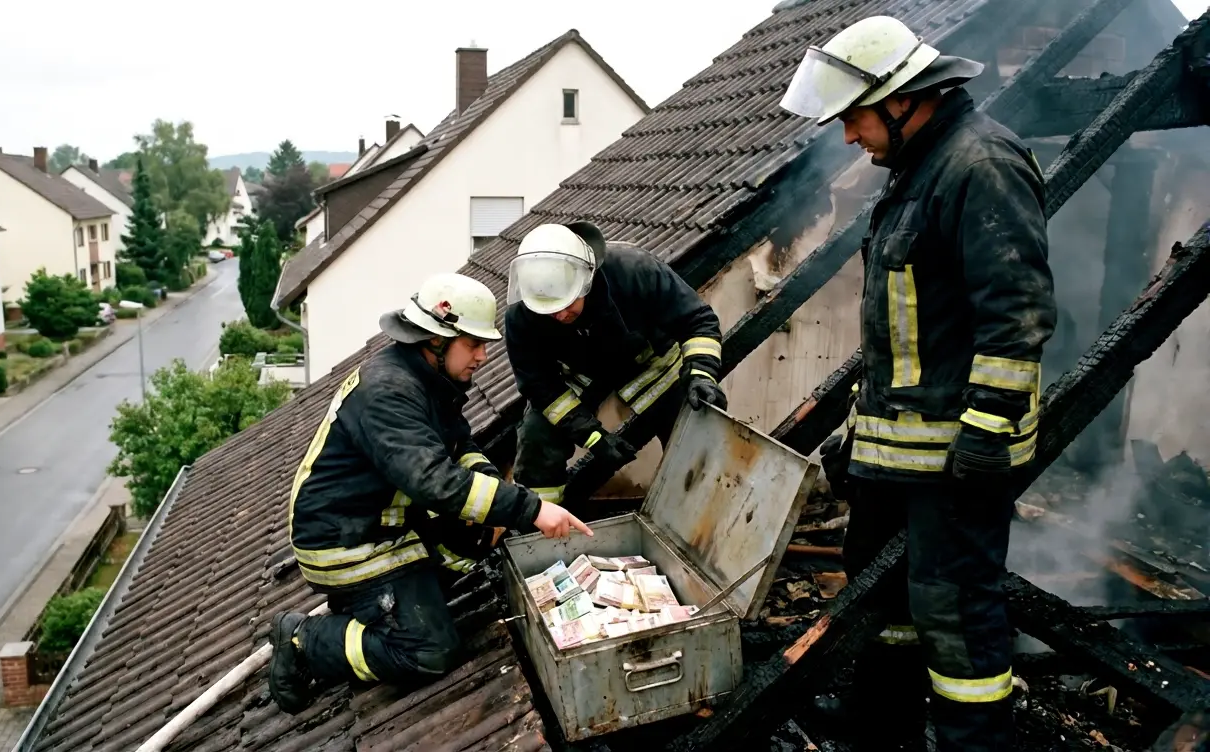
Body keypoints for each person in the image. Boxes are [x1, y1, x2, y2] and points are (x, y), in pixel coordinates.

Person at [780, 15, 1056, 752]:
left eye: (853, 116)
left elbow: (1017, 314)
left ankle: (973, 740)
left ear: (903, 98)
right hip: (897, 459)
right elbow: (906, 338)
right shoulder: (919, 169)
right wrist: (856, 435)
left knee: (957, 618)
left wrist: (988, 434)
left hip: (955, 464)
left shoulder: (981, 164)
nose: (846, 136)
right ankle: (883, 726)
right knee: (887, 603)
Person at [267, 272, 594, 714]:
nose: (482, 356)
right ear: (437, 339)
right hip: (346, 544)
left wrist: (497, 495)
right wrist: (530, 510)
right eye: (473, 344)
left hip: (380, 525)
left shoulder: (425, 379)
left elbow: (461, 447)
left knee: (472, 549)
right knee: (429, 650)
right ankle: (304, 638)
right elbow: (434, 482)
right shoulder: (390, 392)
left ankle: (387, 604)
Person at [502, 221, 727, 506]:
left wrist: (701, 374)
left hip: (652, 366)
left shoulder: (634, 270)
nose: (559, 315)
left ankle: (700, 512)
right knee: (537, 436)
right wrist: (592, 436)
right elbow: (538, 384)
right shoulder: (522, 314)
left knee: (696, 429)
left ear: (587, 279)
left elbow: (698, 322)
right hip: (581, 374)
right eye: (549, 309)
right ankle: (543, 523)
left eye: (567, 303)